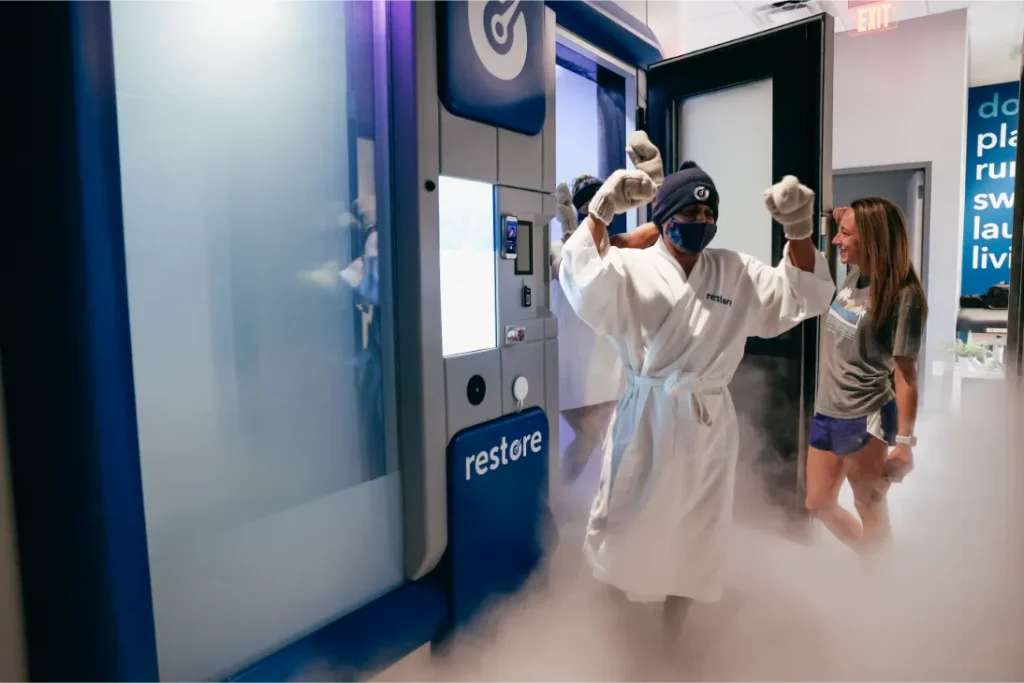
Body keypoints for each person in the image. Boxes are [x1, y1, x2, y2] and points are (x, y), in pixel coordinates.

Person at [557, 131, 836, 644]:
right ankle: (612, 630)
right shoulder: (630, 266)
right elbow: (582, 283)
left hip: (706, 425)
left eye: (710, 216)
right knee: (622, 521)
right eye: (689, 214)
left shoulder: (733, 271)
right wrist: (599, 211)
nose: (701, 224)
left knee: (695, 533)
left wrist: (798, 231)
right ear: (664, 219)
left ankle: (671, 636)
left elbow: (799, 296)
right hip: (647, 417)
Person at [805, 198, 926, 553]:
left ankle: (878, 586)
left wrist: (905, 443)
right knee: (818, 502)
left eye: (844, 235)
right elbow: (848, 225)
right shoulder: (857, 272)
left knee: (867, 505)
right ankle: (874, 562)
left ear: (872, 241)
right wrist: (843, 218)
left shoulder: (905, 297)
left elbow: (906, 375)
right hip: (827, 409)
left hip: (867, 415)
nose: (836, 241)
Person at [549, 175, 659, 486]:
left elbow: (651, 235)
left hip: (609, 369)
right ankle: (558, 496)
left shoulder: (616, 248)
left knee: (614, 439)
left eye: (596, 206)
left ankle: (605, 501)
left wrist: (660, 191)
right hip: (574, 369)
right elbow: (565, 269)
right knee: (589, 437)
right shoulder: (558, 248)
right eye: (583, 207)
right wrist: (572, 232)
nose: (590, 213)